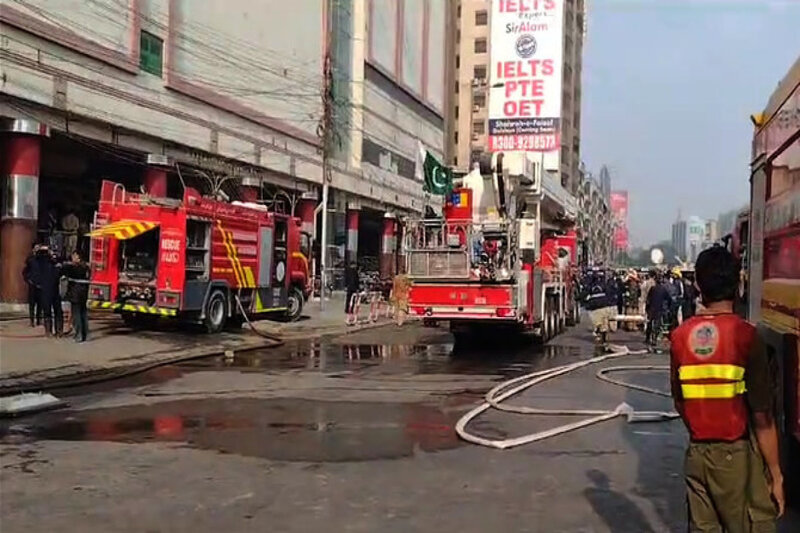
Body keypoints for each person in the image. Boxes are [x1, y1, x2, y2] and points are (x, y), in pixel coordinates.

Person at [670, 247, 783, 532]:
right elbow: (762, 416)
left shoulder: (680, 336)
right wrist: (776, 474)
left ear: (697, 284)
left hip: (696, 456)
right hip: (735, 457)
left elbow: (679, 400)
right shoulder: (746, 336)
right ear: (738, 285)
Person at [31, 245, 63, 337]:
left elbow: (60, 264)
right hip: (46, 289)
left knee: (58, 311)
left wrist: (53, 256)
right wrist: (41, 250)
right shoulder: (40, 261)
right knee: (47, 311)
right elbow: (36, 258)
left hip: (55, 289)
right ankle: (48, 331)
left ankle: (59, 330)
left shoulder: (55, 262)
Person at [61, 251, 91, 342]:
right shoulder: (86, 267)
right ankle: (85, 334)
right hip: (83, 294)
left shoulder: (74, 268)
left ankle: (79, 335)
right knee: (83, 314)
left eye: (74, 256)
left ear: (79, 258)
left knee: (76, 315)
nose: (72, 258)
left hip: (75, 294)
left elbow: (64, 270)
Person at [645, 273, 672, 348]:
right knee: (657, 325)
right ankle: (654, 339)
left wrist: (647, 308)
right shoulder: (663, 289)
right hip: (659, 308)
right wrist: (668, 307)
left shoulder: (653, 288)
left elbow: (648, 299)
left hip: (651, 308)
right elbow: (669, 299)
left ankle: (647, 338)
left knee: (649, 323)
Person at [22, 243, 42, 327]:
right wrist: (28, 280)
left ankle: (38, 319)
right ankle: (31, 320)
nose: (38, 250)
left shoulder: (42, 259)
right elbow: (25, 271)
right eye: (36, 248)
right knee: (32, 303)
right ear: (33, 249)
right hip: (32, 284)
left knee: (40, 303)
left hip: (41, 284)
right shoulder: (30, 259)